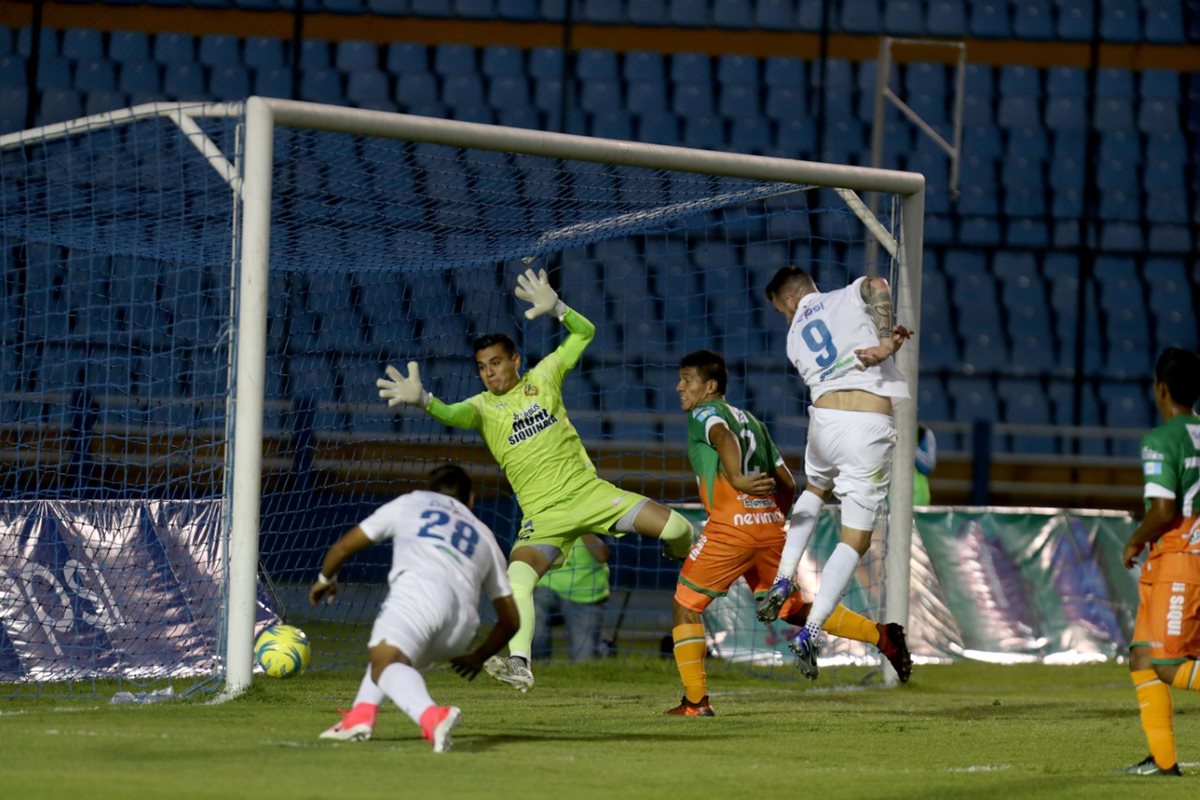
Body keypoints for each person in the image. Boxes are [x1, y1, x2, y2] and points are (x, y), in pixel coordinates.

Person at [376, 267, 695, 692]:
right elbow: (453, 414)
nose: (489, 373)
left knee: (680, 529)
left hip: (589, 494)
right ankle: (519, 663)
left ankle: (684, 561)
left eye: (495, 363)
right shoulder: (481, 408)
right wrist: (425, 400)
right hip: (543, 517)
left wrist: (558, 308)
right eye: (482, 367)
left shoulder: (543, 377)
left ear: (515, 361)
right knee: (518, 579)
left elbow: (584, 333)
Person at [666, 349, 911, 714]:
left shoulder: (704, 414)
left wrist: (737, 479)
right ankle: (881, 635)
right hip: (768, 527)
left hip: (730, 529)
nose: (679, 387)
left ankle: (696, 701)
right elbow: (786, 482)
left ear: (711, 386)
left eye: (687, 380)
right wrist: (771, 518)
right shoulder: (754, 421)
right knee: (793, 610)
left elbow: (721, 436)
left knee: (685, 606)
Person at [756, 265, 912, 679]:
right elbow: (878, 284)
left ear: (792, 299)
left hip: (823, 423)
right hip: (866, 424)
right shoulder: (844, 296)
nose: (786, 318)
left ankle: (783, 578)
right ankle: (810, 631)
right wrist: (885, 342)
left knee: (815, 488)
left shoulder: (793, 338)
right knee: (855, 540)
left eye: (782, 310)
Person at [308, 464, 519, 753]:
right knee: (392, 655)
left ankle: (432, 716)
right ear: (470, 499)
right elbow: (511, 620)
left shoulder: (413, 501)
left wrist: (325, 579)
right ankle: (359, 717)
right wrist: (477, 656)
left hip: (420, 592)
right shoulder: (485, 535)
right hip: (462, 627)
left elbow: (343, 547)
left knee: (386, 658)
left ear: (430, 490)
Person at [1116, 347, 1200, 777]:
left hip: (1180, 556)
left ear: (1160, 389)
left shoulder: (1161, 440)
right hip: (1175, 557)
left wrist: (1134, 540)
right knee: (1143, 657)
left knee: (1168, 665)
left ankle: (1163, 760)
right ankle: (1164, 761)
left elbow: (1164, 510)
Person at [532, 534, 612, 662]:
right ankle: (539, 664)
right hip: (547, 588)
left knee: (584, 662)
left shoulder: (598, 522)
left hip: (585, 595)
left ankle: (602, 648)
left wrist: (582, 528)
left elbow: (602, 555)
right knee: (532, 613)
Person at [914, 424, 937, 505]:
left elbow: (929, 466)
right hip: (888, 502)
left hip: (918, 501)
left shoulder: (923, 432)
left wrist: (910, 448)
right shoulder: (884, 431)